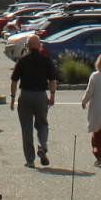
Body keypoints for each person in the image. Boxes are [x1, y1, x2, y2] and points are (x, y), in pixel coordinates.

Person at [9, 35, 59, 167]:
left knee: (26, 128)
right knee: (42, 123)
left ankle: (30, 160)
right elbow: (52, 80)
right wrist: (52, 95)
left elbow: (14, 80)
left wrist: (13, 97)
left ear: (27, 46)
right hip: (41, 95)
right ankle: (42, 145)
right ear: (39, 46)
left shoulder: (22, 60)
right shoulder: (46, 60)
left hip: (25, 95)